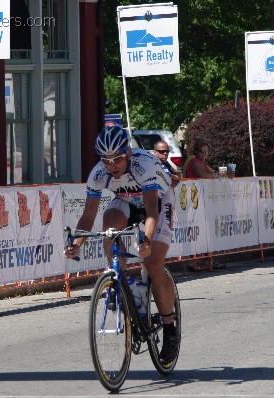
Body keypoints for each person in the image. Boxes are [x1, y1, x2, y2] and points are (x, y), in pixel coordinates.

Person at [63, 125, 179, 364]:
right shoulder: (98, 174)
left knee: (153, 263)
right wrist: (77, 243)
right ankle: (120, 279)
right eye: (106, 159)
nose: (112, 164)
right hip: (125, 200)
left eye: (116, 158)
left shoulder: (143, 166)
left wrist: (146, 241)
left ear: (127, 153)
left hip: (157, 200)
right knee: (109, 224)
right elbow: (87, 216)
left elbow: (151, 211)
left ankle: (170, 328)